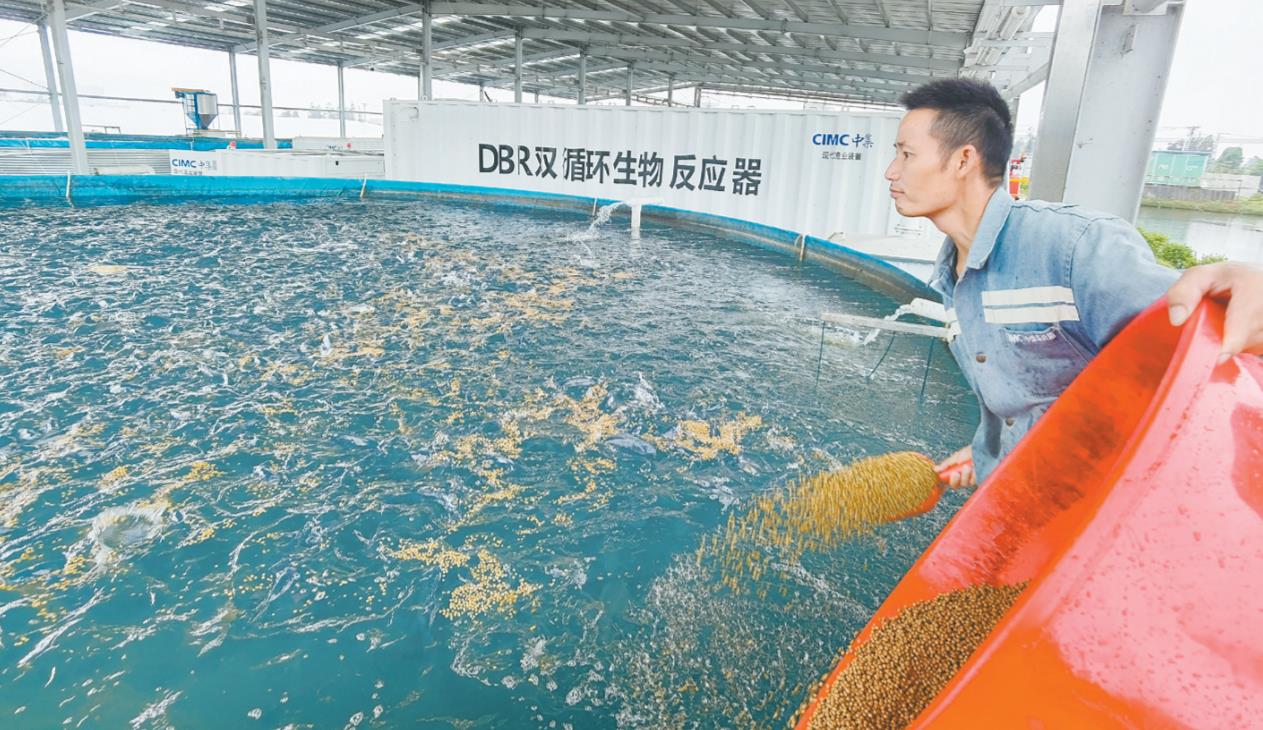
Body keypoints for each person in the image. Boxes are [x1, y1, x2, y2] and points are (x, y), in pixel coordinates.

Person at [882, 78, 1263, 486]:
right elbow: (1024, 403)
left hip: (1108, 499)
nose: (892, 171)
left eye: (906, 154)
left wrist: (1245, 284)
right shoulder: (952, 277)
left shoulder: (1073, 245)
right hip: (1026, 492)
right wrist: (989, 453)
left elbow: (1202, 341)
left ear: (963, 160)